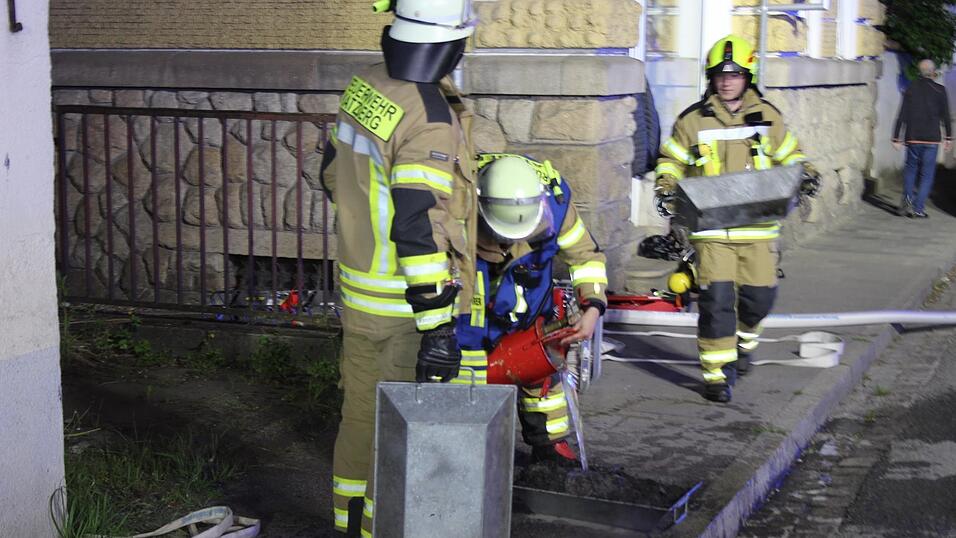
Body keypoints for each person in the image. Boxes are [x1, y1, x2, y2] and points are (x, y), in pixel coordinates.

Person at [318, 0, 479, 535]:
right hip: (405, 305)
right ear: (451, 43)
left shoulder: (364, 85)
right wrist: (437, 325)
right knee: (400, 431)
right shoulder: (429, 118)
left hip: (358, 293)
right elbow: (417, 223)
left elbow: (328, 171)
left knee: (360, 415)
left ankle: (348, 523)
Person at [653, 35, 820, 403]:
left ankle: (744, 343)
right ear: (710, 78)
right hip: (710, 231)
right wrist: (666, 187)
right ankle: (717, 376)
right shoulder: (691, 120)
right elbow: (671, 161)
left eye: (735, 74)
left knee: (759, 300)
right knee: (716, 302)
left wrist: (806, 173)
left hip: (758, 230)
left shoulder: (768, 116)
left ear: (748, 76)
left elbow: (792, 155)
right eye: (719, 75)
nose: (727, 81)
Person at [452, 154, 607, 463]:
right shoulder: (457, 205)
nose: (509, 245)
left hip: (529, 309)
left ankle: (551, 448)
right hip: (472, 316)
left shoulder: (556, 204)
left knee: (541, 373)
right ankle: (460, 454)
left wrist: (592, 308)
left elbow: (586, 257)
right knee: (463, 380)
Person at [892, 58, 953, 218]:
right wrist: (948, 137)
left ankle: (906, 203)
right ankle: (918, 209)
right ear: (933, 72)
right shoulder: (940, 90)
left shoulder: (911, 88)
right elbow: (945, 116)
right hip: (932, 139)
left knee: (910, 171)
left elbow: (902, 113)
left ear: (920, 72)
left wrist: (896, 137)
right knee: (927, 174)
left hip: (913, 137)